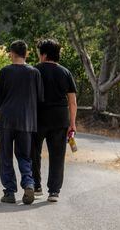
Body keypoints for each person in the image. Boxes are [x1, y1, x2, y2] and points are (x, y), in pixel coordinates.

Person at [0, 40, 43, 204]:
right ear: (26, 54)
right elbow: (39, 98)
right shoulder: (34, 72)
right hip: (26, 120)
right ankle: (29, 183)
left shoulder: (5, 72)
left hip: (7, 119)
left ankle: (9, 192)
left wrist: (1, 111)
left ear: (11, 53)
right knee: (24, 156)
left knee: (6, 156)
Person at [32, 38, 78, 203]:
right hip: (60, 119)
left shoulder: (34, 71)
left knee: (33, 152)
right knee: (57, 155)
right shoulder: (65, 72)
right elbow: (72, 101)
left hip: (38, 118)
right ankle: (54, 191)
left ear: (43, 55)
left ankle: (36, 186)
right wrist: (72, 123)